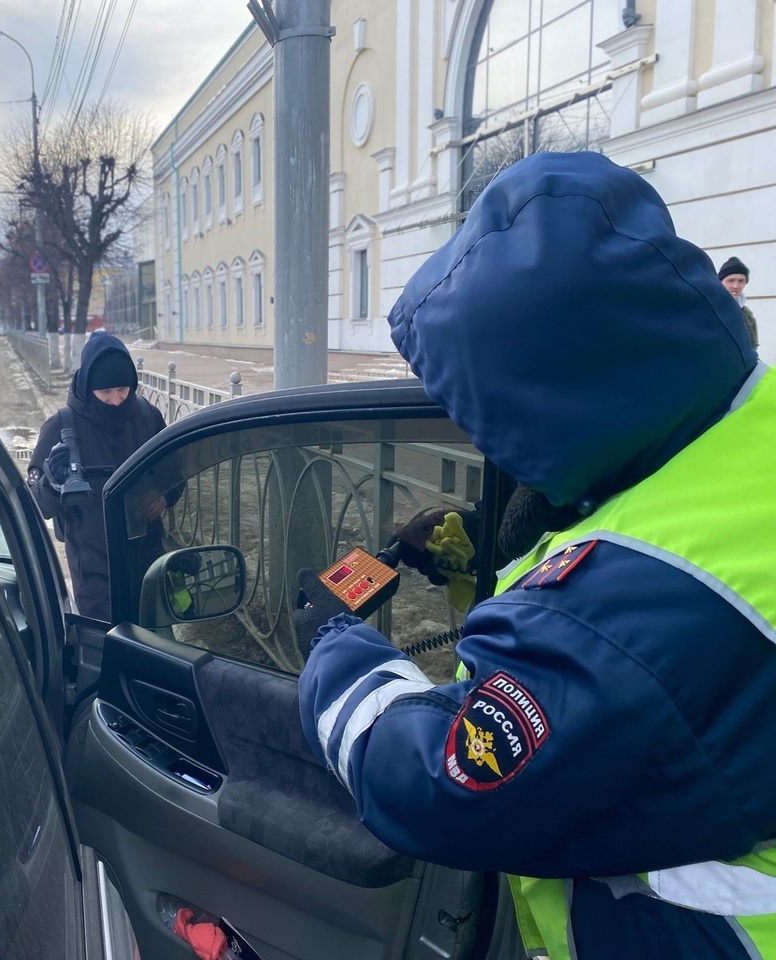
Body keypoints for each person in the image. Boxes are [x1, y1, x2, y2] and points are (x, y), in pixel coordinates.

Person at [296, 152, 776, 960]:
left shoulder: (623, 614)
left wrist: (336, 651)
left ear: (547, 399)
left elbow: (444, 785)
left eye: (485, 417)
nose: (482, 442)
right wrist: (461, 552)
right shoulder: (738, 426)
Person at [28, 333, 170, 621]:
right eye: (105, 392)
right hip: (95, 576)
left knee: (157, 652)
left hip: (148, 562)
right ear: (87, 386)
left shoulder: (147, 417)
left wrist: (165, 493)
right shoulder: (62, 427)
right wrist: (53, 482)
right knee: (107, 652)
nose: (116, 401)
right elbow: (38, 505)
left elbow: (174, 469)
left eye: (122, 389)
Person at [719, 255, 759, 347]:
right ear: (720, 282)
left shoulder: (747, 313)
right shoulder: (711, 308)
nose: (736, 286)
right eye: (731, 280)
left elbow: (753, 345)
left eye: (741, 281)